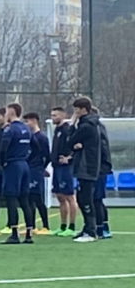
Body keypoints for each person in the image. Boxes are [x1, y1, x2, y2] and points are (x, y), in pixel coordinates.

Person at [63, 97, 101, 243]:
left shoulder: (87, 126)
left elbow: (69, 141)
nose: (74, 112)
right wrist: (76, 146)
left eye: (76, 109)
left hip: (87, 167)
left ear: (83, 109)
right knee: (81, 197)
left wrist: (71, 125)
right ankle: (87, 228)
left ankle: (91, 231)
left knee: (85, 199)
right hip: (85, 165)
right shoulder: (88, 124)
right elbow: (74, 144)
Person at [0, 103, 36, 245]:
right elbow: (36, 147)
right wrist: (27, 159)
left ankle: (14, 234)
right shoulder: (26, 129)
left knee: (11, 199)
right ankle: (28, 234)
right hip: (24, 165)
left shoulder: (10, 129)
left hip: (13, 165)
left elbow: (3, 148)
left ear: (11, 112)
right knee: (24, 199)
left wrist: (2, 163)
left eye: (6, 112)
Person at [23, 112, 52, 234]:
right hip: (27, 170)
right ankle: (32, 226)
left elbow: (48, 156)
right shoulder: (28, 137)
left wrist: (41, 168)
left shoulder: (42, 138)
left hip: (36, 171)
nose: (25, 124)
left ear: (34, 121)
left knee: (37, 198)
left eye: (27, 121)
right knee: (28, 198)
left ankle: (46, 226)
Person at [50, 107, 77, 237]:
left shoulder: (67, 130)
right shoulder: (57, 130)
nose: (53, 118)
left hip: (66, 168)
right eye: (52, 115)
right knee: (60, 196)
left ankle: (72, 226)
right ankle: (62, 225)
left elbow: (77, 145)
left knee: (69, 196)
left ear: (62, 115)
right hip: (56, 167)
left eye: (55, 115)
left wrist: (69, 158)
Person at [91, 107, 113, 239]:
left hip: (98, 169)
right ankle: (101, 227)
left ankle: (101, 228)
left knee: (96, 199)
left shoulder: (97, 128)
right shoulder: (98, 128)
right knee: (96, 199)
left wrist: (103, 166)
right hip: (98, 168)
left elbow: (103, 150)